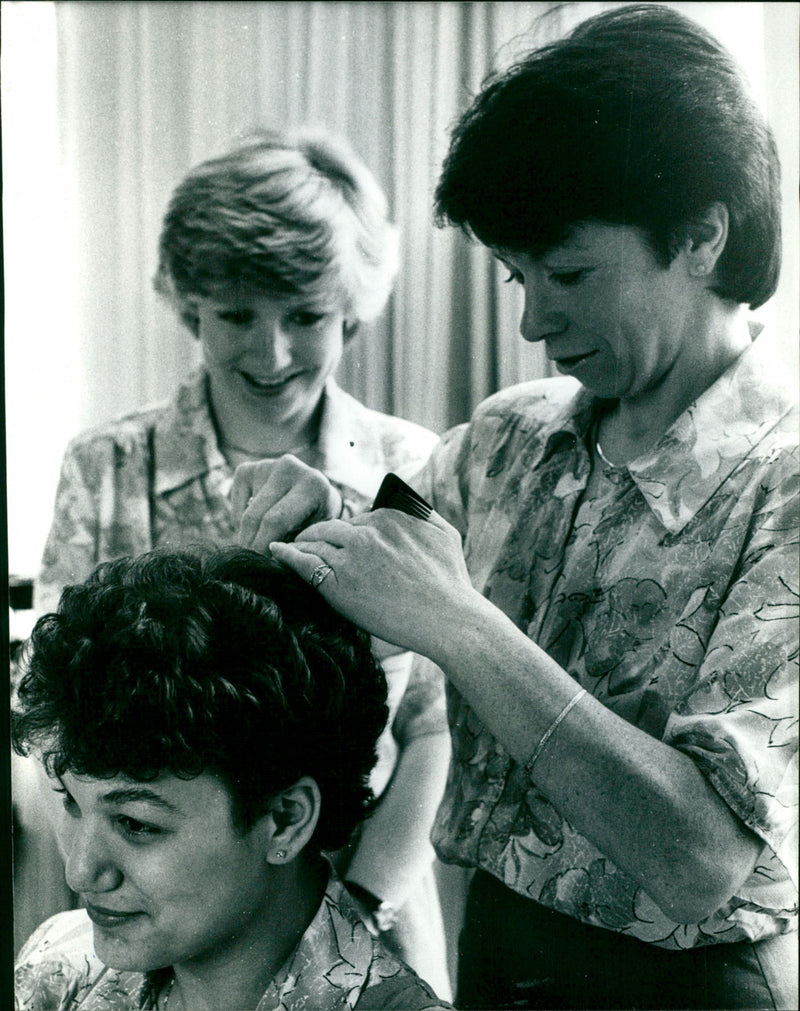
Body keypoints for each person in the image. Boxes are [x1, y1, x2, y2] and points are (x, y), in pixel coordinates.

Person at [234, 6, 798, 1009]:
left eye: (569, 273)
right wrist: (314, 520)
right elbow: (381, 569)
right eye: (514, 276)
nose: (534, 322)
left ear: (701, 235)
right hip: (493, 943)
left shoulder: (782, 487)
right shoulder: (506, 437)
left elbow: (700, 858)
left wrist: (459, 623)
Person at [21, 127, 450, 992]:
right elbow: (56, 716)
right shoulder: (108, 466)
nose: (273, 352)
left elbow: (433, 726)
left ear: (351, 311)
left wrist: (361, 904)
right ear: (190, 307)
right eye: (236, 316)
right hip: (164, 897)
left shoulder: (411, 467)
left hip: (368, 898)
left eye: (305, 317)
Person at [12, 548, 452, 1011]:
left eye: (136, 823)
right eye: (70, 801)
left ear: (285, 820)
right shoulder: (55, 966)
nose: (80, 873)